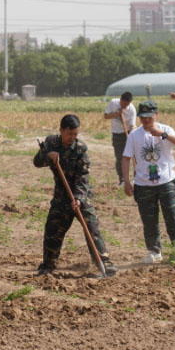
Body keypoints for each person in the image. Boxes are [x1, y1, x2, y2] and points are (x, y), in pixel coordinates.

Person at [33, 114, 117, 277]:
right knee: (52, 229)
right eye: (70, 134)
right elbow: (37, 162)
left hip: (81, 195)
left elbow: (83, 177)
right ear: (61, 130)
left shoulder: (80, 149)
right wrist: (48, 156)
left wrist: (78, 198)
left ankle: (105, 262)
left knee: (91, 227)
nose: (73, 137)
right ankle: (48, 265)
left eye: (76, 134)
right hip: (61, 195)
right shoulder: (51, 142)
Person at [122, 101, 175, 264]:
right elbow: (126, 158)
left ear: (156, 115)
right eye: (143, 117)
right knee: (149, 220)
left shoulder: (165, 129)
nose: (146, 120)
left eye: (149, 116)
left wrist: (162, 135)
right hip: (143, 184)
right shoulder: (134, 135)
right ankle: (154, 251)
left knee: (172, 216)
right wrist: (126, 181)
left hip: (166, 182)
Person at [103, 91, 137, 186]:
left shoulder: (132, 109)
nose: (125, 106)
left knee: (135, 156)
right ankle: (122, 179)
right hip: (117, 134)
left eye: (127, 104)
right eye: (124, 103)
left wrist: (131, 136)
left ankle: (137, 178)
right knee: (120, 157)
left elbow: (132, 125)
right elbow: (106, 116)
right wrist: (116, 114)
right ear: (120, 100)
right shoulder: (113, 102)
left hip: (129, 132)